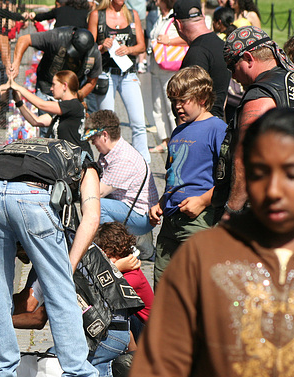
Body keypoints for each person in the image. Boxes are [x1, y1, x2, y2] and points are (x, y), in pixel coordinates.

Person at [119, 107, 294, 377]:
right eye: (259, 173)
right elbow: (157, 374)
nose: (273, 190)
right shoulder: (204, 256)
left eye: (292, 173)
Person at [0, 137, 116, 377]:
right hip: (32, 197)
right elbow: (92, 218)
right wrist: (66, 269)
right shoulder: (86, 163)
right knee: (62, 299)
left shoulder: (23, 146)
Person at [0, 223, 152, 377]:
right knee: (57, 362)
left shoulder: (47, 255)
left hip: (102, 334)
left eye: (16, 251)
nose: (19, 259)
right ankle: (119, 367)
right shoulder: (63, 239)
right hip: (113, 332)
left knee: (52, 374)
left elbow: (33, 313)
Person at [214, 26, 294, 219]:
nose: (233, 76)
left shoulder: (260, 96)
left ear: (248, 58)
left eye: (232, 67)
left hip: (268, 207)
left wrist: (231, 212)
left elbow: (244, 159)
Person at [149, 66, 226, 284]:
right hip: (171, 219)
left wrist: (203, 201)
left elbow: (230, 177)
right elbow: (175, 175)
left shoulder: (217, 128)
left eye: (183, 100)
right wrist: (162, 202)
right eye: (174, 101)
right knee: (164, 283)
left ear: (202, 98)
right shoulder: (178, 131)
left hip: (198, 219)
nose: (177, 107)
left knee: (197, 283)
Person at [87, 0, 150, 163]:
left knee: (138, 123)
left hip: (128, 73)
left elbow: (142, 46)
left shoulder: (132, 14)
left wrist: (129, 49)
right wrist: (101, 47)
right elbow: (88, 48)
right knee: (107, 125)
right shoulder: (96, 15)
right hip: (106, 74)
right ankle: (110, 161)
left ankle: (143, 164)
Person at [83, 110, 159, 239]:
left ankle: (114, 243)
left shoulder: (123, 159)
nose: (92, 143)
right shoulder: (111, 152)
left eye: (93, 138)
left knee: (94, 204)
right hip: (127, 206)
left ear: (105, 135)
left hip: (141, 216)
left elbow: (96, 192)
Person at [172, 0, 230, 120]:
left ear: (178, 24)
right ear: (202, 17)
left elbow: (187, 104)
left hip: (200, 128)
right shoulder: (221, 44)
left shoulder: (196, 53)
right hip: (219, 122)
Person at [10, 70, 90, 157]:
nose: (51, 88)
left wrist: (18, 87)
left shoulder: (73, 105)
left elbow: (41, 105)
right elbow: (36, 121)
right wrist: (19, 102)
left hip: (78, 160)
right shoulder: (63, 110)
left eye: (54, 84)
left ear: (64, 86)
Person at [10, 27, 102, 100]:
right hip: (46, 86)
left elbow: (92, 82)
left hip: (70, 92)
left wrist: (77, 97)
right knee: (44, 120)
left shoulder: (94, 54)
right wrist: (16, 64)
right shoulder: (57, 36)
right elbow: (24, 39)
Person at [148, 0, 188, 153]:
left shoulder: (175, 18)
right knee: (157, 105)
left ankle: (176, 140)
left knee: (170, 105)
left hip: (170, 68)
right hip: (156, 65)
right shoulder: (160, 17)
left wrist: (169, 41)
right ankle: (164, 140)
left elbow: (187, 38)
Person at [26, 0, 93, 29]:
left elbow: (44, 16)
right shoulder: (87, 13)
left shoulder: (60, 10)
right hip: (78, 40)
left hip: (58, 36)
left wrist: (34, 16)